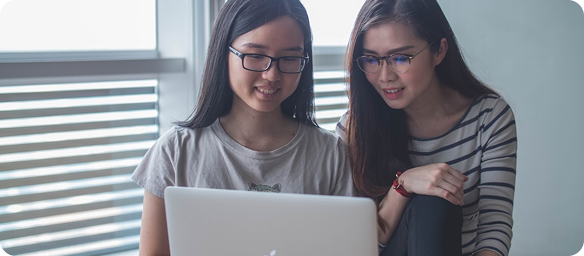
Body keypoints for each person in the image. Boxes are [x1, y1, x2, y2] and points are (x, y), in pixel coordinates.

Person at [131, 0, 355, 255]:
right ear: (223, 52)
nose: (271, 74)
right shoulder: (175, 151)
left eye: (289, 58)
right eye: (256, 56)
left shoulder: (331, 153)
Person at [337, 0, 517, 255]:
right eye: (371, 59)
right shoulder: (352, 128)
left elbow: (493, 227)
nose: (385, 76)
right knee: (432, 202)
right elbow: (357, 244)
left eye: (400, 58)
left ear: (439, 51)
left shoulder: (488, 117)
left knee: (435, 202)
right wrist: (403, 186)